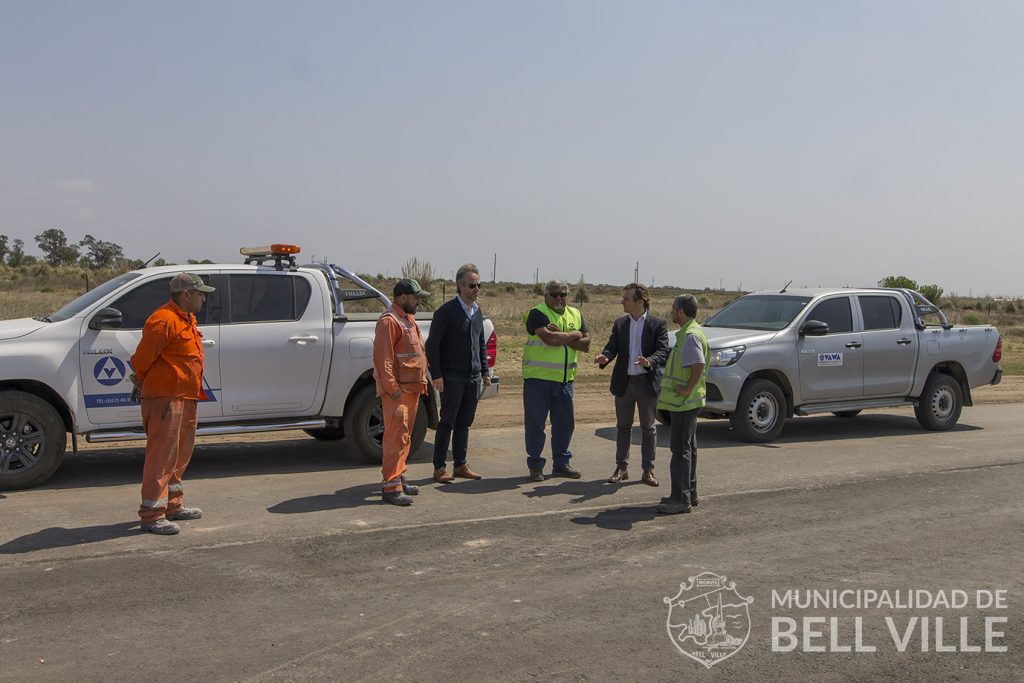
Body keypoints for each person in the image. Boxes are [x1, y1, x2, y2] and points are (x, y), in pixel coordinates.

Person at [130, 272, 216, 535]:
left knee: (178, 455)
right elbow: (142, 361)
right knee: (162, 457)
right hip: (165, 399)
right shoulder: (163, 320)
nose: (204, 298)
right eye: (200, 293)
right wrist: (143, 383)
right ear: (186, 295)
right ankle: (152, 514)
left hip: (185, 397)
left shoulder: (186, 318)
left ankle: (172, 506)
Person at [594, 283, 670, 486]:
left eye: (626, 298)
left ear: (640, 301)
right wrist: (605, 357)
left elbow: (663, 351)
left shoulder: (658, 324)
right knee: (623, 427)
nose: (622, 302)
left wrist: (650, 361)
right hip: (624, 383)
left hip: (646, 383)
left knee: (648, 428)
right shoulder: (620, 324)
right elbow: (612, 348)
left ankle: (648, 470)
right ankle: (622, 468)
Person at [425, 263, 492, 483]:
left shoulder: (476, 311)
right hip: (451, 376)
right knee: (448, 422)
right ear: (460, 286)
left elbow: (480, 343)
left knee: (465, 422)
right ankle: (439, 467)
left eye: (479, 285)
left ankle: (460, 465)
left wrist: (484, 370)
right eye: (472, 285)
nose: (477, 289)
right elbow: (432, 345)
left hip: (472, 377)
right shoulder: (446, 312)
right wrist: (436, 375)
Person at [522, 279, 590, 481]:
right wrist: (574, 335)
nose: (559, 298)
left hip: (565, 381)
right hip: (538, 380)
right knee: (536, 424)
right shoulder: (537, 313)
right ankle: (535, 465)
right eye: (554, 294)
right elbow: (550, 340)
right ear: (546, 295)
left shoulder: (575, 314)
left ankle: (561, 464)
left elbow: (586, 345)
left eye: (563, 294)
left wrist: (563, 334)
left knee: (565, 424)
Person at [373, 278, 430, 506]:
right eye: (416, 297)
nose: (418, 301)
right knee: (395, 438)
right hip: (398, 392)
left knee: (404, 437)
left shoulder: (407, 319)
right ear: (403, 297)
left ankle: (398, 476)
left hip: (412, 390)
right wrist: (393, 390)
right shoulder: (389, 322)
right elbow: (383, 360)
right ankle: (390, 487)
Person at [656, 295, 709, 515]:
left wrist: (687, 389)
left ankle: (681, 498)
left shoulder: (690, 336)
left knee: (680, 451)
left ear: (680, 311)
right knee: (688, 449)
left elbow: (698, 364)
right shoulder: (690, 332)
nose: (671, 312)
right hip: (686, 403)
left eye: (673, 308)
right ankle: (689, 493)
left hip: (684, 403)